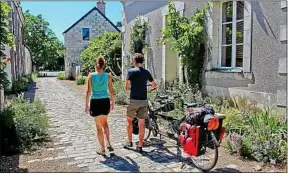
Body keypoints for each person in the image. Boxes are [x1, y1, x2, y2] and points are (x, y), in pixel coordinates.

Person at [123, 53, 157, 152]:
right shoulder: (146, 72)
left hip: (133, 100)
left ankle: (130, 142)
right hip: (143, 100)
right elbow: (154, 85)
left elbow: (126, 87)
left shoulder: (131, 71)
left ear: (135, 61)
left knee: (129, 120)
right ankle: (140, 146)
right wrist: (148, 87)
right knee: (141, 123)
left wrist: (133, 87)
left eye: (133, 60)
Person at [85, 57, 115, 155]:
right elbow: (111, 91)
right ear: (104, 65)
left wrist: (86, 105)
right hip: (105, 101)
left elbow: (88, 91)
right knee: (105, 123)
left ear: (96, 64)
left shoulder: (91, 76)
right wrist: (113, 102)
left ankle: (102, 149)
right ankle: (109, 142)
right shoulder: (108, 76)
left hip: (95, 102)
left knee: (98, 127)